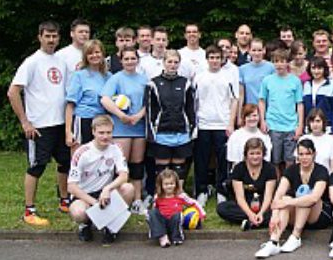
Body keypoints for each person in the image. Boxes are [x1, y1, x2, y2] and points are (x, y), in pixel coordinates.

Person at [8, 21, 70, 225]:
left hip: (60, 123)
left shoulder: (60, 60)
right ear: (40, 37)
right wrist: (25, 122)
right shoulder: (32, 62)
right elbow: (13, 92)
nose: (51, 40)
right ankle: (29, 211)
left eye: (54, 36)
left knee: (65, 163)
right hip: (39, 126)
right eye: (47, 36)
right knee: (37, 166)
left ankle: (64, 201)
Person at [256, 138, 333, 258]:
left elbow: (314, 198)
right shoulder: (291, 170)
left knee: (303, 198)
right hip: (296, 214)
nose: (304, 157)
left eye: (308, 154)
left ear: (314, 154)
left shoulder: (321, 170)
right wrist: (275, 215)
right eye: (301, 154)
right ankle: (273, 242)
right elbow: (278, 195)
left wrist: (289, 202)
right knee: (285, 198)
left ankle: (296, 236)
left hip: (318, 214)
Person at [67, 115, 135, 244]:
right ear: (93, 132)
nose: (105, 137)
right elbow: (71, 187)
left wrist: (107, 188)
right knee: (78, 212)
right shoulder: (82, 152)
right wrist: (93, 202)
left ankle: (111, 226)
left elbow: (124, 175)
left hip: (105, 192)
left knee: (128, 188)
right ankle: (85, 225)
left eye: (108, 132)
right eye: (101, 133)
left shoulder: (116, 148)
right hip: (85, 194)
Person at [101, 46, 148, 214]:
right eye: (126, 59)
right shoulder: (115, 78)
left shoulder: (144, 79)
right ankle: (118, 200)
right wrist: (121, 115)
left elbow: (149, 103)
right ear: (120, 61)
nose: (130, 61)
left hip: (139, 128)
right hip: (121, 129)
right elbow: (105, 99)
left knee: (137, 166)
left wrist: (139, 116)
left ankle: (137, 200)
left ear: (137, 60)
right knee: (122, 166)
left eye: (132, 58)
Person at [143, 49, 195, 193]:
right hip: (161, 133)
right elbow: (149, 110)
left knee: (179, 167)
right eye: (169, 62)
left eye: (175, 62)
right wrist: (151, 133)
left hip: (181, 132)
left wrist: (192, 128)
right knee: (162, 167)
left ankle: (178, 196)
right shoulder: (153, 83)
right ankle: (160, 197)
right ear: (164, 63)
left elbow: (191, 108)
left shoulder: (186, 83)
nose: (172, 65)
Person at [193, 45, 238, 206]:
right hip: (203, 124)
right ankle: (202, 191)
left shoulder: (228, 76)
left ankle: (222, 191)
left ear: (222, 59)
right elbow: (194, 102)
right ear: (207, 59)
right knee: (202, 160)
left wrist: (231, 123)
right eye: (211, 58)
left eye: (217, 58)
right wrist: (194, 124)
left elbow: (234, 101)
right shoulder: (199, 77)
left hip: (223, 124)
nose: (214, 61)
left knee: (223, 160)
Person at [258, 48, 304, 170]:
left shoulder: (295, 81)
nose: (279, 64)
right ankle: (276, 185)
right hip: (273, 125)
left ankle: (288, 184)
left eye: (282, 61)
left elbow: (299, 104)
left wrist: (299, 126)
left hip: (291, 125)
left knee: (290, 159)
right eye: (276, 61)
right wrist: (262, 121)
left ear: (287, 62)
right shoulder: (267, 80)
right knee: (275, 160)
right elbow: (262, 101)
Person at [217, 138, 277, 230]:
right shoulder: (238, 168)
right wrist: (250, 214)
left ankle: (251, 222)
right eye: (252, 153)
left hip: (263, 204)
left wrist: (261, 213)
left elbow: (268, 196)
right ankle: (254, 221)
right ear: (246, 154)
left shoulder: (270, 169)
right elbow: (240, 198)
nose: (255, 157)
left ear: (263, 154)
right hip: (244, 205)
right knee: (222, 208)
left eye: (258, 153)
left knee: (277, 212)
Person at [65, 39, 110, 151]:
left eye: (97, 52)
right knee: (81, 157)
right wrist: (68, 132)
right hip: (83, 119)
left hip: (102, 121)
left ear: (102, 54)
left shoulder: (109, 76)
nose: (94, 55)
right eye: (90, 53)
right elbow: (70, 105)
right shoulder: (79, 76)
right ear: (85, 56)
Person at [147, 169, 206, 248]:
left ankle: (177, 237)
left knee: (178, 215)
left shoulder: (180, 196)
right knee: (152, 213)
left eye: (171, 183)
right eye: (166, 184)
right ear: (161, 185)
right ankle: (163, 237)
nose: (169, 186)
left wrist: (202, 214)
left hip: (175, 222)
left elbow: (194, 203)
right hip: (162, 222)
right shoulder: (158, 197)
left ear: (176, 184)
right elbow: (154, 209)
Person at [227, 104, 272, 174]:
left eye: (254, 115)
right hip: (240, 173)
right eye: (248, 116)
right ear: (244, 118)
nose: (252, 118)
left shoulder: (265, 136)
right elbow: (233, 160)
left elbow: (267, 159)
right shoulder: (235, 136)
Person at [302, 57, 333, 135]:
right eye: (313, 68)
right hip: (309, 128)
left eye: (319, 68)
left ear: (324, 69)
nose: (316, 71)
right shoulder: (306, 85)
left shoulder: (331, 85)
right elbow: (303, 108)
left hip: (327, 128)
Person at [238, 38, 275, 108]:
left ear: (264, 50)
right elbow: (241, 95)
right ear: (249, 51)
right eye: (254, 50)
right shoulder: (242, 69)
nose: (257, 53)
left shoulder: (271, 67)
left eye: (259, 50)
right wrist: (240, 116)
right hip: (250, 111)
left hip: (268, 109)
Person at [56, 18, 91, 85]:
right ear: (72, 34)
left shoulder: (95, 54)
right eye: (80, 32)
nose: (84, 34)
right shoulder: (61, 55)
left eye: (87, 32)